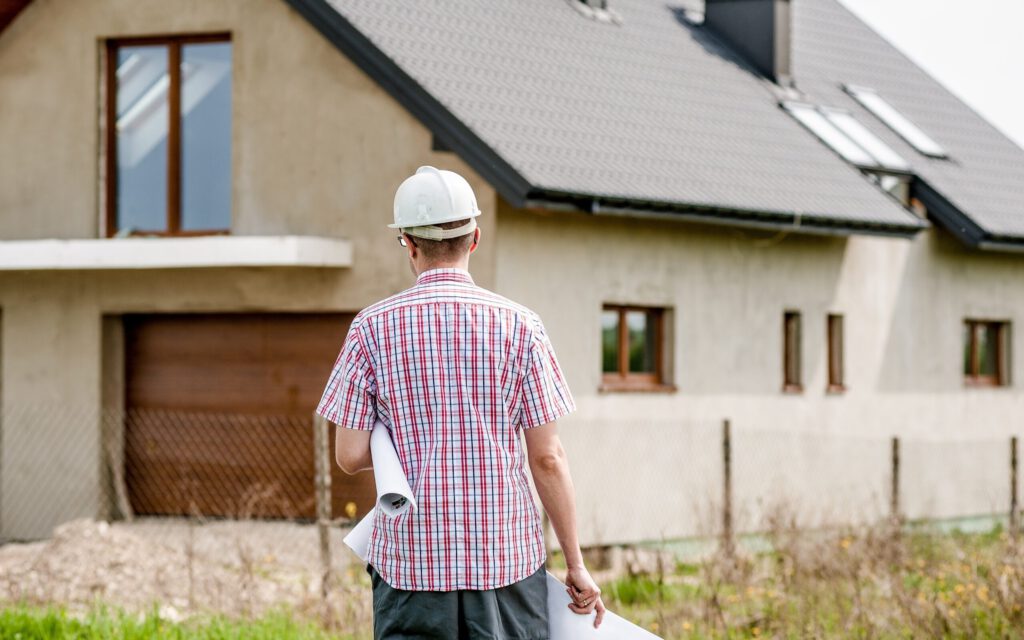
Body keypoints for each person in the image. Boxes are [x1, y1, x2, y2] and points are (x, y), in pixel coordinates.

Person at [316, 166, 605, 639]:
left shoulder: (370, 328)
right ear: (474, 238)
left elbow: (348, 456)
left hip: (411, 567)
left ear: (408, 243)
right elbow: (547, 458)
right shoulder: (522, 327)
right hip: (506, 563)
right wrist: (575, 564)